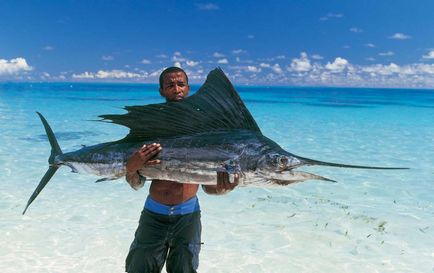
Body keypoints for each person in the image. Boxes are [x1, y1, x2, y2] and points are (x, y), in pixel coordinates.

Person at [124, 67, 238, 273]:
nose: (176, 89)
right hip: (153, 216)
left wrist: (224, 188)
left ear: (188, 88)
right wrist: (131, 169)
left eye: (180, 84)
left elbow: (209, 188)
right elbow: (136, 184)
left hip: (188, 218)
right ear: (161, 91)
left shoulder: (204, 129)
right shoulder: (153, 125)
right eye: (170, 85)